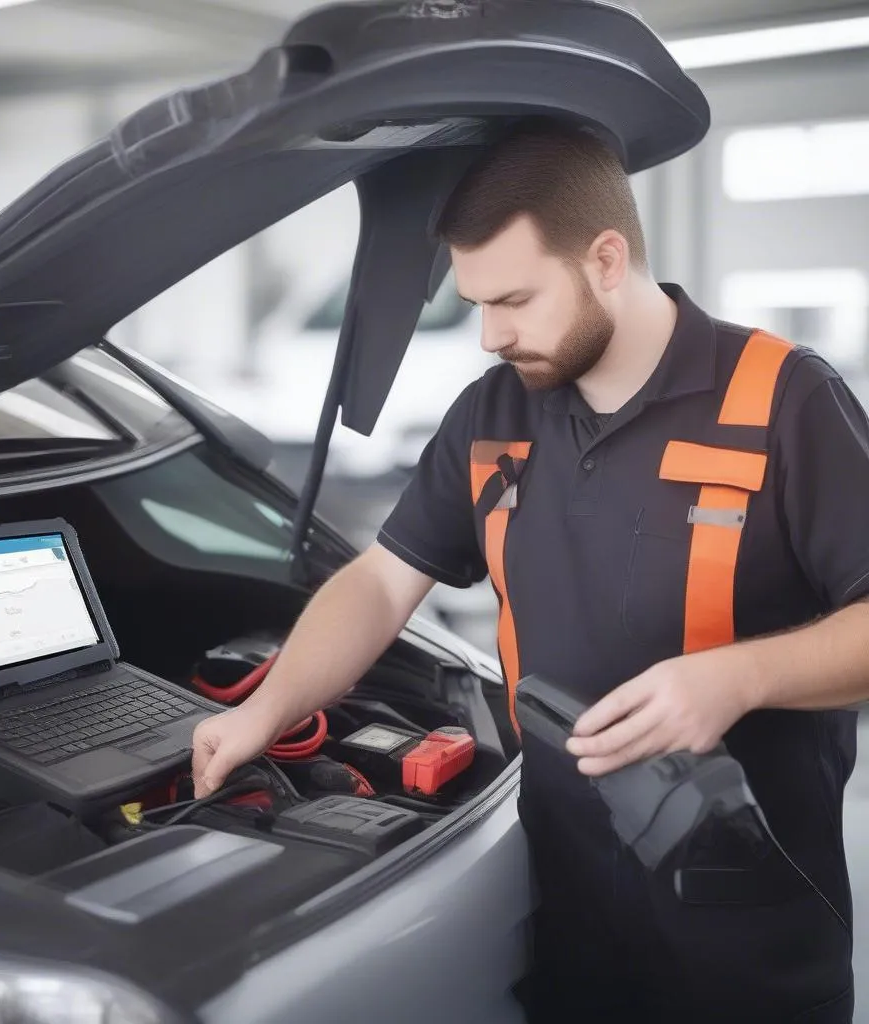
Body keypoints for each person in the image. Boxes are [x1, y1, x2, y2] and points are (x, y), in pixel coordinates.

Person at [191, 122, 866, 1022]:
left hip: (744, 927)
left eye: (513, 299)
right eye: (475, 303)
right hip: (566, 911)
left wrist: (737, 677)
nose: (489, 335)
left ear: (606, 259)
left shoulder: (784, 402)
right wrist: (265, 712)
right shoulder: (492, 416)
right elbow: (382, 582)